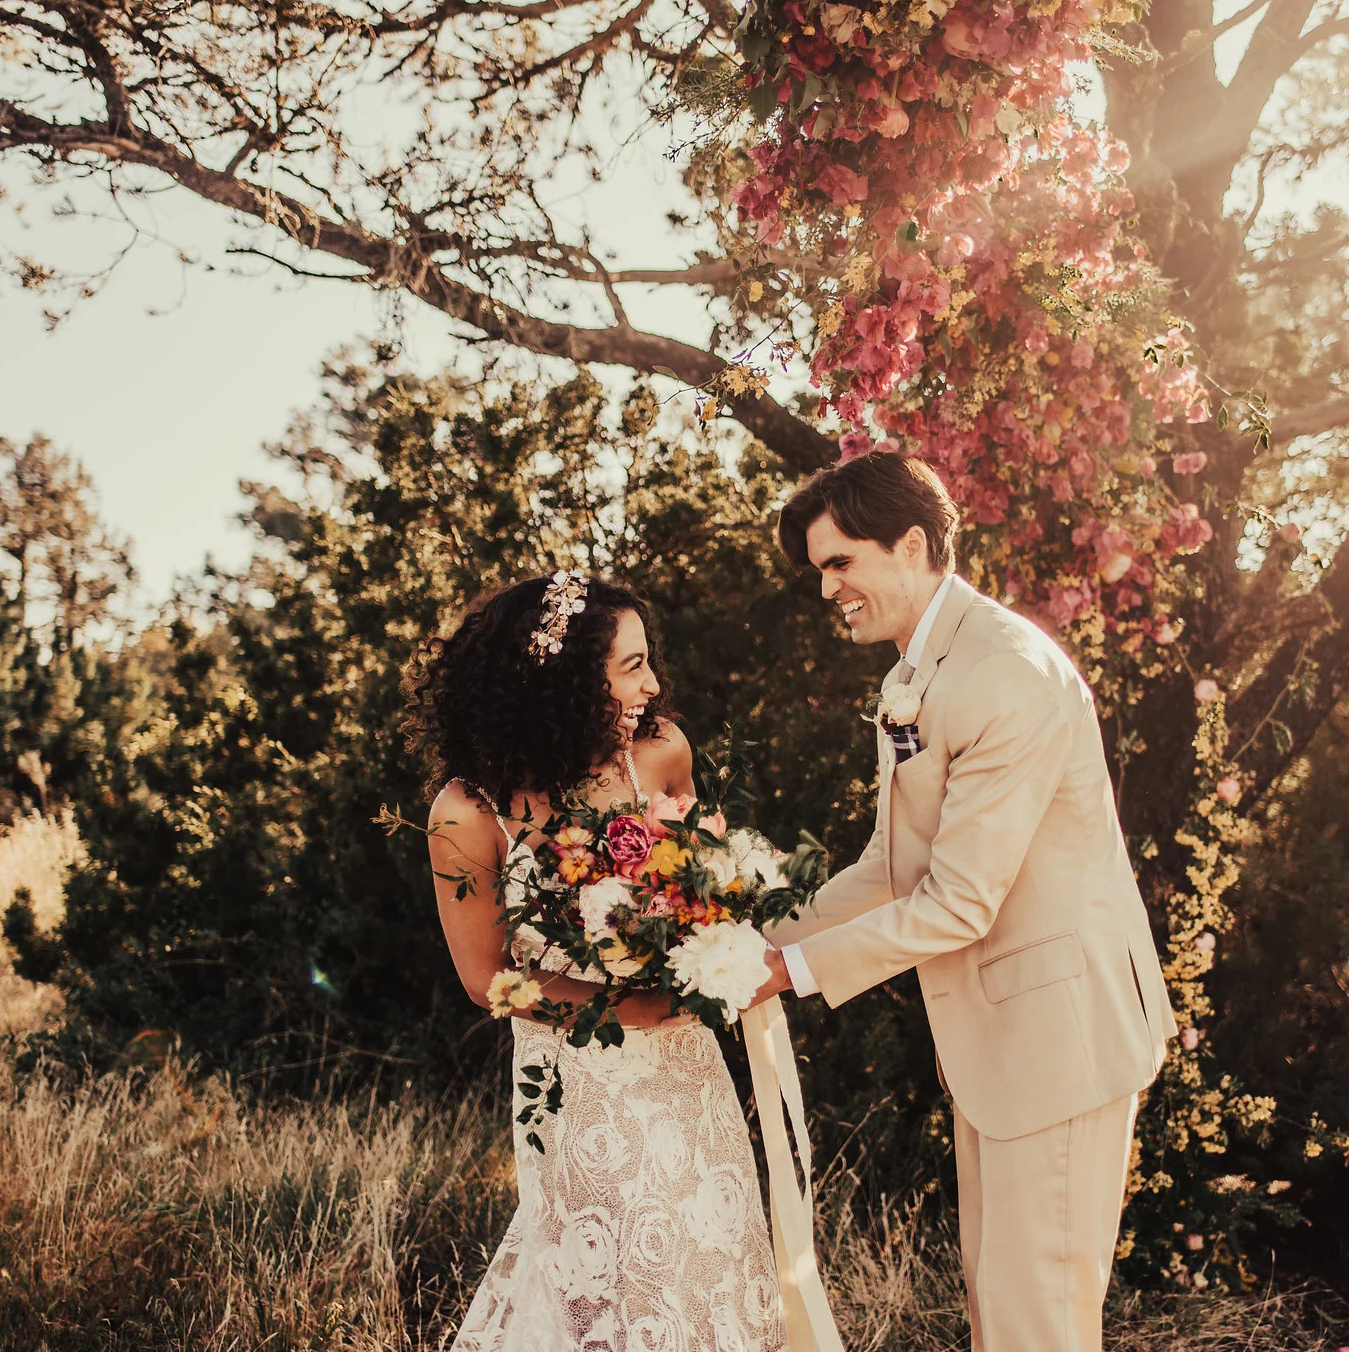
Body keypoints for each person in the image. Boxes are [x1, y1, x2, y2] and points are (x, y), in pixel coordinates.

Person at [749, 451, 1176, 1352]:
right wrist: (735, 942)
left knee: (1040, 1323)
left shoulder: (1002, 671)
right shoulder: (922, 670)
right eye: (820, 570)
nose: (828, 589)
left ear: (911, 545)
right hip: (1003, 1047)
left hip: (1061, 1038)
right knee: (1001, 1306)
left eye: (840, 563)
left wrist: (787, 973)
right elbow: (889, 869)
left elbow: (956, 905)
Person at [415, 572, 788, 1352]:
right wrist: (628, 1006)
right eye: (631, 665)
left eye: (648, 661)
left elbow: (703, 884)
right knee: (610, 1277)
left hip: (688, 1060)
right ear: (563, 679)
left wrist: (708, 945)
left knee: (708, 1252)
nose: (652, 684)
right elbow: (487, 978)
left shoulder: (659, 755)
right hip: (576, 1082)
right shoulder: (467, 808)